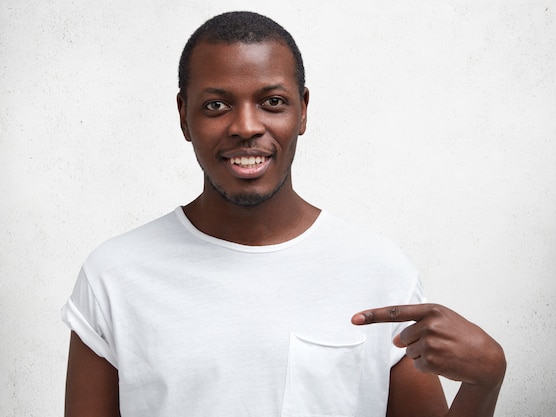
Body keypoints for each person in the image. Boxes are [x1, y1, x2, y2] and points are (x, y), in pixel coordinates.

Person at [62, 11, 506, 417]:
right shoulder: (115, 275)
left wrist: (485, 383)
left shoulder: (379, 271)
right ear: (183, 116)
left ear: (303, 110)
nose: (246, 126)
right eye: (217, 105)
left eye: (272, 101)